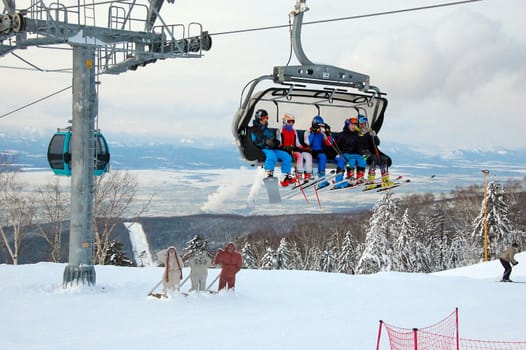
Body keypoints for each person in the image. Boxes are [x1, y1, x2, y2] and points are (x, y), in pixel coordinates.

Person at [250, 109, 294, 187]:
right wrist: (265, 142)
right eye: (264, 118)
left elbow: (272, 137)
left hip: (271, 148)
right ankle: (269, 173)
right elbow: (255, 141)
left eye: (267, 118)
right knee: (272, 156)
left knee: (286, 156)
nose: (266, 120)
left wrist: (275, 141)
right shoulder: (254, 129)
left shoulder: (266, 129)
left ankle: (285, 176)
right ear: (258, 118)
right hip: (263, 149)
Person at [357, 115, 393, 189]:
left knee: (384, 159)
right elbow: (357, 144)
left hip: (369, 152)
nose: (363, 125)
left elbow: (377, 143)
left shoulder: (368, 132)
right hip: (361, 154)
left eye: (364, 123)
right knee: (374, 158)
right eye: (361, 124)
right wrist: (362, 135)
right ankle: (371, 181)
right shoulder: (356, 133)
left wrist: (374, 136)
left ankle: (385, 180)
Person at [332, 117, 367, 189]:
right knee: (352, 161)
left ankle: (360, 178)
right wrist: (337, 153)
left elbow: (360, 146)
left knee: (362, 160)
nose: (353, 127)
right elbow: (336, 145)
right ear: (347, 125)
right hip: (345, 153)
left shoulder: (357, 135)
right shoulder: (342, 135)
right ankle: (350, 177)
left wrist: (362, 137)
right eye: (352, 125)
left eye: (355, 125)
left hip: (354, 154)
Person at [277, 113, 313, 182]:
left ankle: (304, 173)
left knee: (304, 155)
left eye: (293, 122)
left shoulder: (294, 131)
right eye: (289, 122)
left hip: (293, 149)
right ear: (285, 121)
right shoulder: (280, 130)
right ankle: (295, 174)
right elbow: (279, 142)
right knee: (295, 156)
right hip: (285, 150)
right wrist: (285, 147)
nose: (291, 124)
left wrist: (304, 148)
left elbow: (297, 143)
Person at [304, 115, 334, 182]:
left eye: (321, 126)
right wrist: (313, 132)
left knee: (323, 156)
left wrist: (328, 133)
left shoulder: (322, 133)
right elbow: (308, 142)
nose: (319, 128)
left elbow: (330, 143)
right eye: (318, 126)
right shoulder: (308, 132)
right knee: (309, 157)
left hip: (319, 152)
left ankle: (321, 175)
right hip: (310, 151)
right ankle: (309, 174)